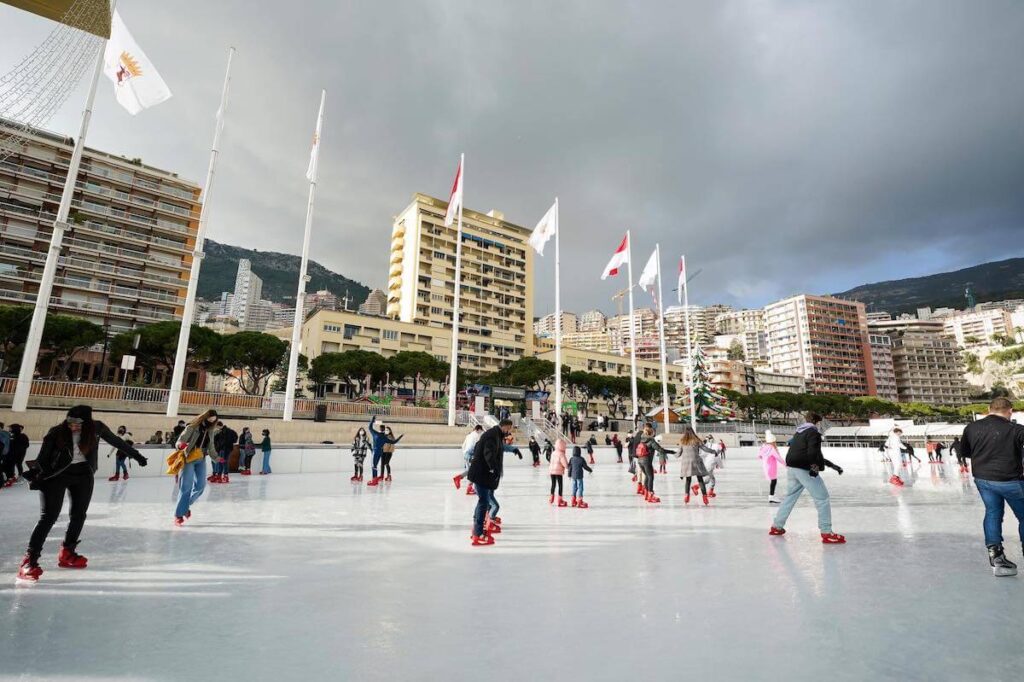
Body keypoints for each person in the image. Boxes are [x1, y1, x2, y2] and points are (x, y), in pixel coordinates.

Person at [16, 405, 147, 582]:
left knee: (79, 515)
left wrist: (137, 456)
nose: (73, 426)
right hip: (56, 475)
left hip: (83, 475)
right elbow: (43, 458)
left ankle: (67, 552)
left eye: (78, 423)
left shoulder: (97, 428)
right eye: (70, 422)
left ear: (87, 422)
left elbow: (117, 442)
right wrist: (38, 475)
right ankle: (29, 561)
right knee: (48, 517)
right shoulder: (56, 432)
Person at [959, 397, 1024, 577]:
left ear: (989, 409)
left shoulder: (972, 427)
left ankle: (996, 556)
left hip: (983, 479)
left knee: (993, 513)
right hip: (1011, 480)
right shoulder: (1016, 429)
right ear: (1010, 411)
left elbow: (964, 451)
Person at [769, 412, 846, 544]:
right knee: (822, 498)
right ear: (818, 422)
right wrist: (814, 468)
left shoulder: (799, 432)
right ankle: (827, 532)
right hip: (804, 468)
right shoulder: (813, 433)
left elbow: (807, 452)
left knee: (790, 497)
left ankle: (777, 526)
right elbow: (812, 452)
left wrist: (833, 466)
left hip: (792, 468)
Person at [467, 418, 514, 546]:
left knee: (482, 502)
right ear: (504, 427)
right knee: (484, 502)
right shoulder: (492, 436)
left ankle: (476, 530)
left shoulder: (495, 435)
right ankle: (478, 534)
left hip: (482, 474)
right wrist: (493, 468)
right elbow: (488, 453)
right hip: (482, 474)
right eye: (509, 429)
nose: (509, 432)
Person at [171, 410, 219, 526]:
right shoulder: (192, 427)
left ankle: (185, 506)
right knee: (186, 487)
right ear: (205, 417)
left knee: (200, 486)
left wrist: (216, 458)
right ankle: (178, 515)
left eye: (214, 420)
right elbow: (180, 440)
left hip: (201, 458)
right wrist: (180, 445)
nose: (211, 421)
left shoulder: (211, 430)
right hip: (189, 458)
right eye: (210, 419)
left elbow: (211, 446)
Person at [677, 426, 715, 505]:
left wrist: (670, 453)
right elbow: (705, 448)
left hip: (686, 463)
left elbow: (678, 453)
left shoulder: (682, 441)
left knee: (688, 480)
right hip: (696, 461)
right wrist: (713, 451)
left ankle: (686, 496)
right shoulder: (696, 440)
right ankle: (705, 497)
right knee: (700, 479)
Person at [366, 415, 401, 486]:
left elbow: (369, 427)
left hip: (375, 451)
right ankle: (375, 479)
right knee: (376, 465)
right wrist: (400, 437)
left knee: (374, 465)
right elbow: (394, 442)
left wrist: (372, 420)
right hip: (380, 452)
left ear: (379, 429)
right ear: (384, 430)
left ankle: (374, 480)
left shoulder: (375, 434)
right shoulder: (385, 437)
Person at [758, 431, 786, 504]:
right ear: (773, 441)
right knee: (774, 481)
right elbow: (778, 458)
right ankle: (771, 497)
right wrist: (786, 464)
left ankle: (772, 496)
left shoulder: (764, 447)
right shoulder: (771, 448)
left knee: (773, 481)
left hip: (766, 467)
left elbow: (759, 456)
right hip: (771, 467)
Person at [453, 425, 484, 492]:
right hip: (472, 454)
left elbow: (463, 445)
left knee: (472, 471)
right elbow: (475, 447)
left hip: (466, 454)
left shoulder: (469, 435)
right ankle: (459, 478)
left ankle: (469, 487)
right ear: (478, 429)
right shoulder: (477, 436)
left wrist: (465, 455)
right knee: (474, 471)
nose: (481, 432)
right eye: (481, 430)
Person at [548, 438, 570, 506]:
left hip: (552, 471)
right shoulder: (561, 454)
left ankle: (551, 498)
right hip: (558, 472)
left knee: (553, 484)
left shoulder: (553, 453)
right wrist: (569, 467)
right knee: (560, 485)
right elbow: (565, 464)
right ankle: (560, 499)